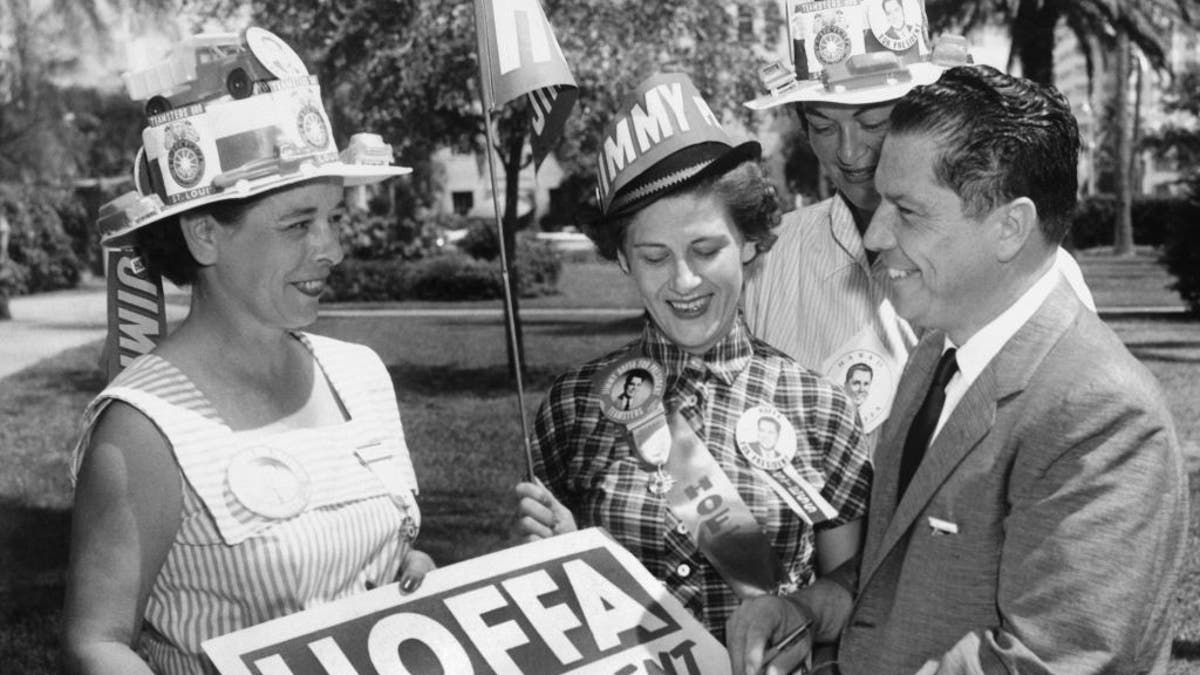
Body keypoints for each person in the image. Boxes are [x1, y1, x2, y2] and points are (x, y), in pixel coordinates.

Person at [727, 65, 1188, 674]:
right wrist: (813, 610)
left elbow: (1046, 660)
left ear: (1009, 227)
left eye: (907, 211)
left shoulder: (1101, 415)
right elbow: (897, 568)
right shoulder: (937, 356)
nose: (876, 235)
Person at [62, 28, 433, 674]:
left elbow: (373, 559)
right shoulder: (144, 429)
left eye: (334, 218)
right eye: (297, 224)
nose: (331, 249)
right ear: (205, 234)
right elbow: (97, 642)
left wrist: (410, 573)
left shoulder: (362, 376)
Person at [510, 72, 872, 641]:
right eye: (654, 256)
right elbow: (547, 616)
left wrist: (799, 616)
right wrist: (551, 557)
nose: (683, 281)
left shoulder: (820, 408)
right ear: (623, 260)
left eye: (706, 250)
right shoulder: (575, 407)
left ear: (750, 242)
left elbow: (850, 590)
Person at [742, 1, 1094, 452]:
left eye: (875, 122)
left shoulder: (1035, 272)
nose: (849, 153)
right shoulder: (766, 260)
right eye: (823, 126)